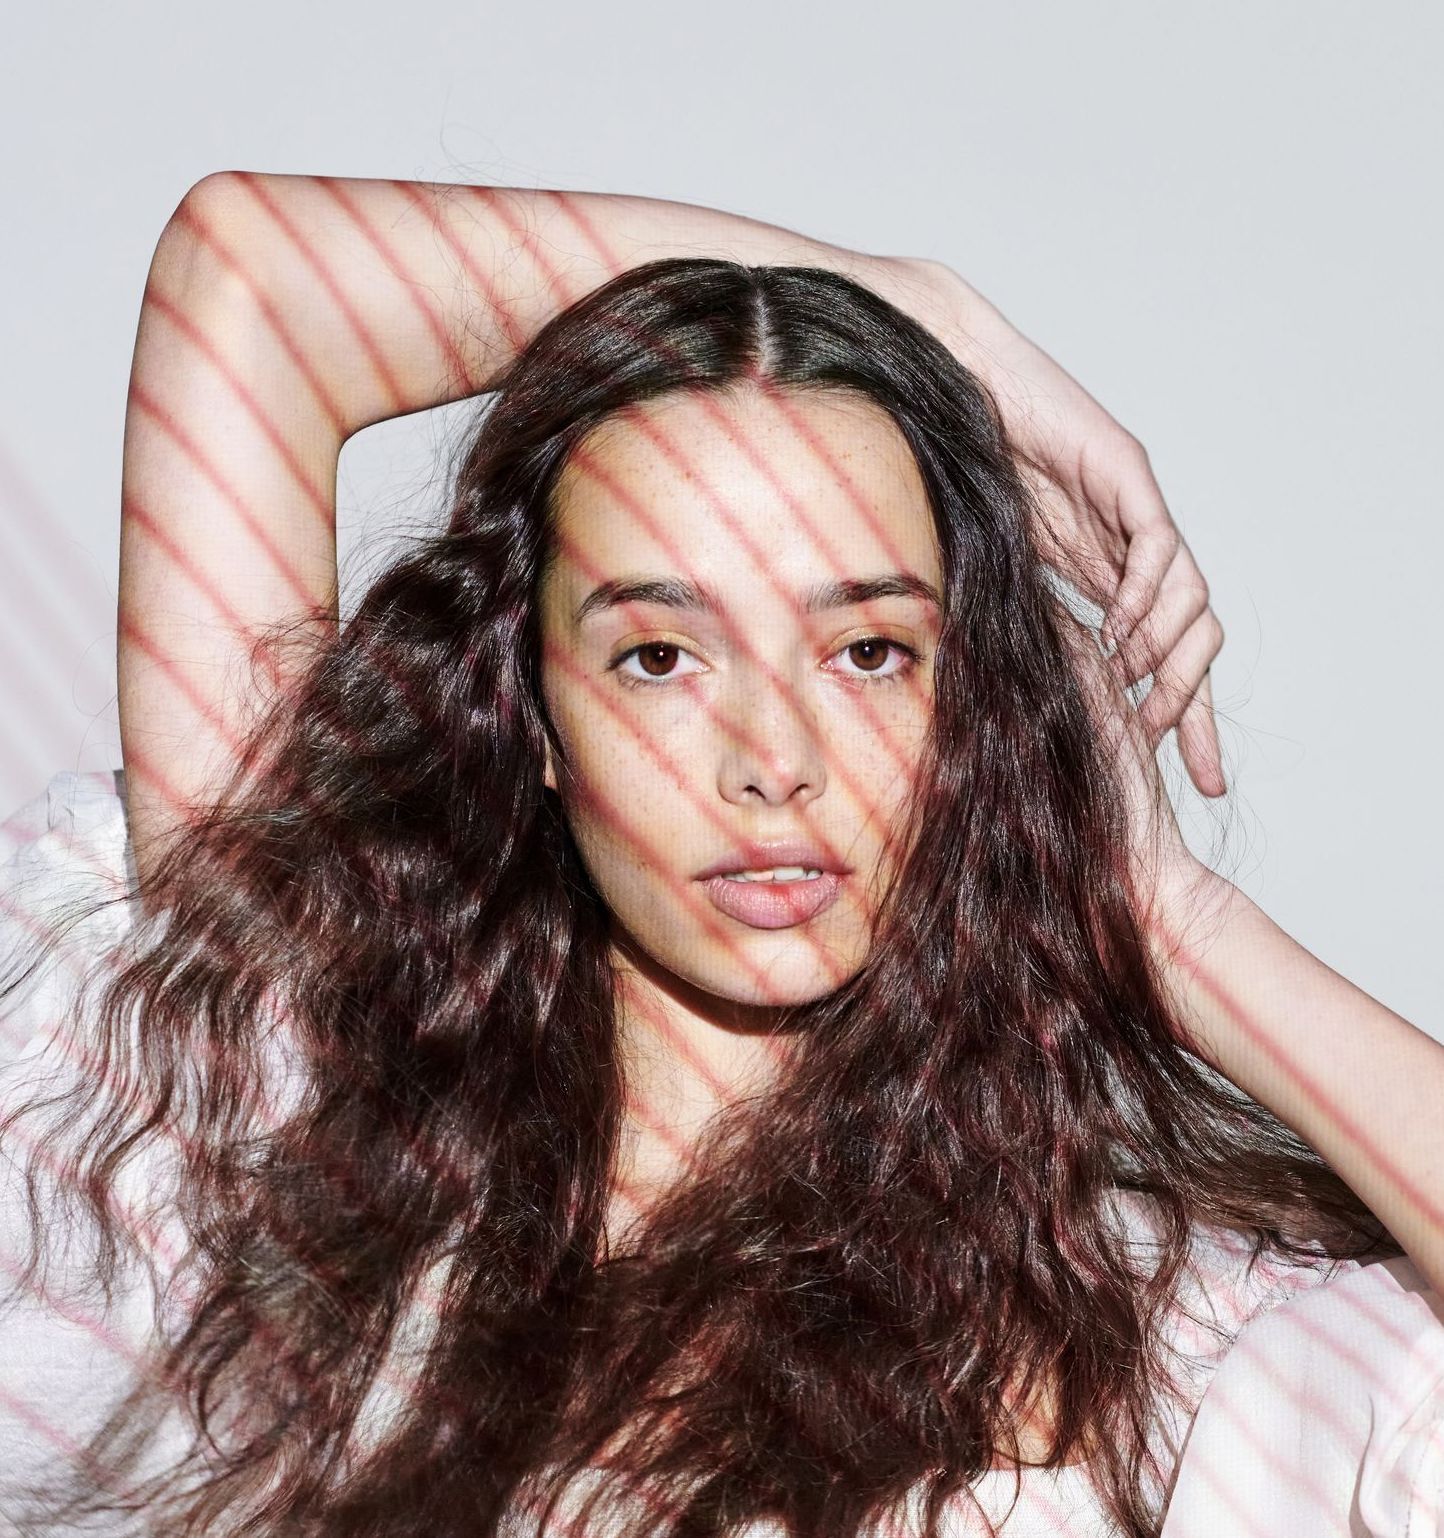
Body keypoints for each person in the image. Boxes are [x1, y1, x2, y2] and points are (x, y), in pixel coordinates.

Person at [0, 175, 1440, 1538]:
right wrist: (905, 306)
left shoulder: (1154, 1335)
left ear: (970, 706)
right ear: (535, 710)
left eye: (868, 651)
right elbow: (251, 278)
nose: (773, 757)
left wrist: (1171, 922)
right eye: (661, 655)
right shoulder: (295, 1089)